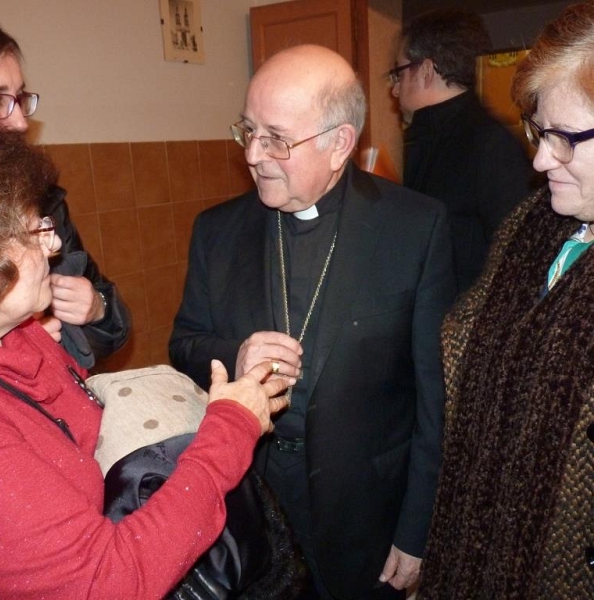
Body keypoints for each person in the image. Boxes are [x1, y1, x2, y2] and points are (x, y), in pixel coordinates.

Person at [170, 44, 456, 599]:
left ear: (339, 144)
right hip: (251, 512)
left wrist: (417, 532)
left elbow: (436, 398)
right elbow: (183, 344)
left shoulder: (415, 228)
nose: (253, 154)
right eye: (247, 130)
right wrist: (236, 354)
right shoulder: (215, 231)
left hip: (368, 518)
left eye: (276, 138)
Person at [0, 131, 292, 599]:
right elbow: (112, 580)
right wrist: (230, 427)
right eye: (37, 231)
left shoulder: (19, 339)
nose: (54, 248)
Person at [418, 3, 594, 599]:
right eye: (539, 132)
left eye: (566, 138)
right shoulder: (533, 226)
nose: (543, 159)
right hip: (471, 554)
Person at [0, 22, 130, 367]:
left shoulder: (43, 200)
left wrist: (98, 308)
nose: (20, 122)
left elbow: (109, 326)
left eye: (19, 98)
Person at [391, 8, 533, 293]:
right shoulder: (425, 139)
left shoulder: (490, 144)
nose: (394, 90)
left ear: (426, 71)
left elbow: (519, 261)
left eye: (399, 73)